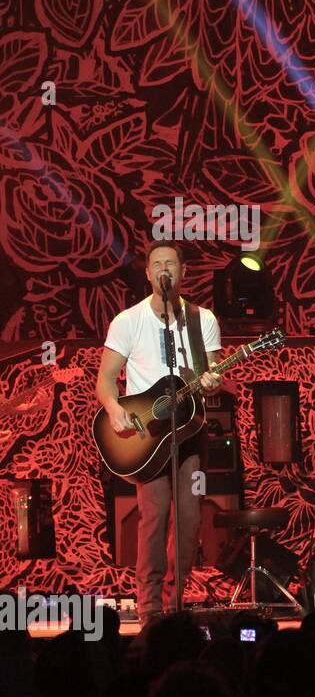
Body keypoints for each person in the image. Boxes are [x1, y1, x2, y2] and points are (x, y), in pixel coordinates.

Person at [96, 241, 222, 628]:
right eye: (157, 264)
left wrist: (213, 381)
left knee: (188, 520)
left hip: (190, 435)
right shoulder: (127, 321)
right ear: (148, 273)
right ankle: (149, 607)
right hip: (147, 439)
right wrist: (116, 410)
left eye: (171, 263)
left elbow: (212, 373)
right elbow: (104, 380)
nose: (164, 270)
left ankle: (175, 605)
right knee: (154, 517)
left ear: (183, 272)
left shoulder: (203, 321)